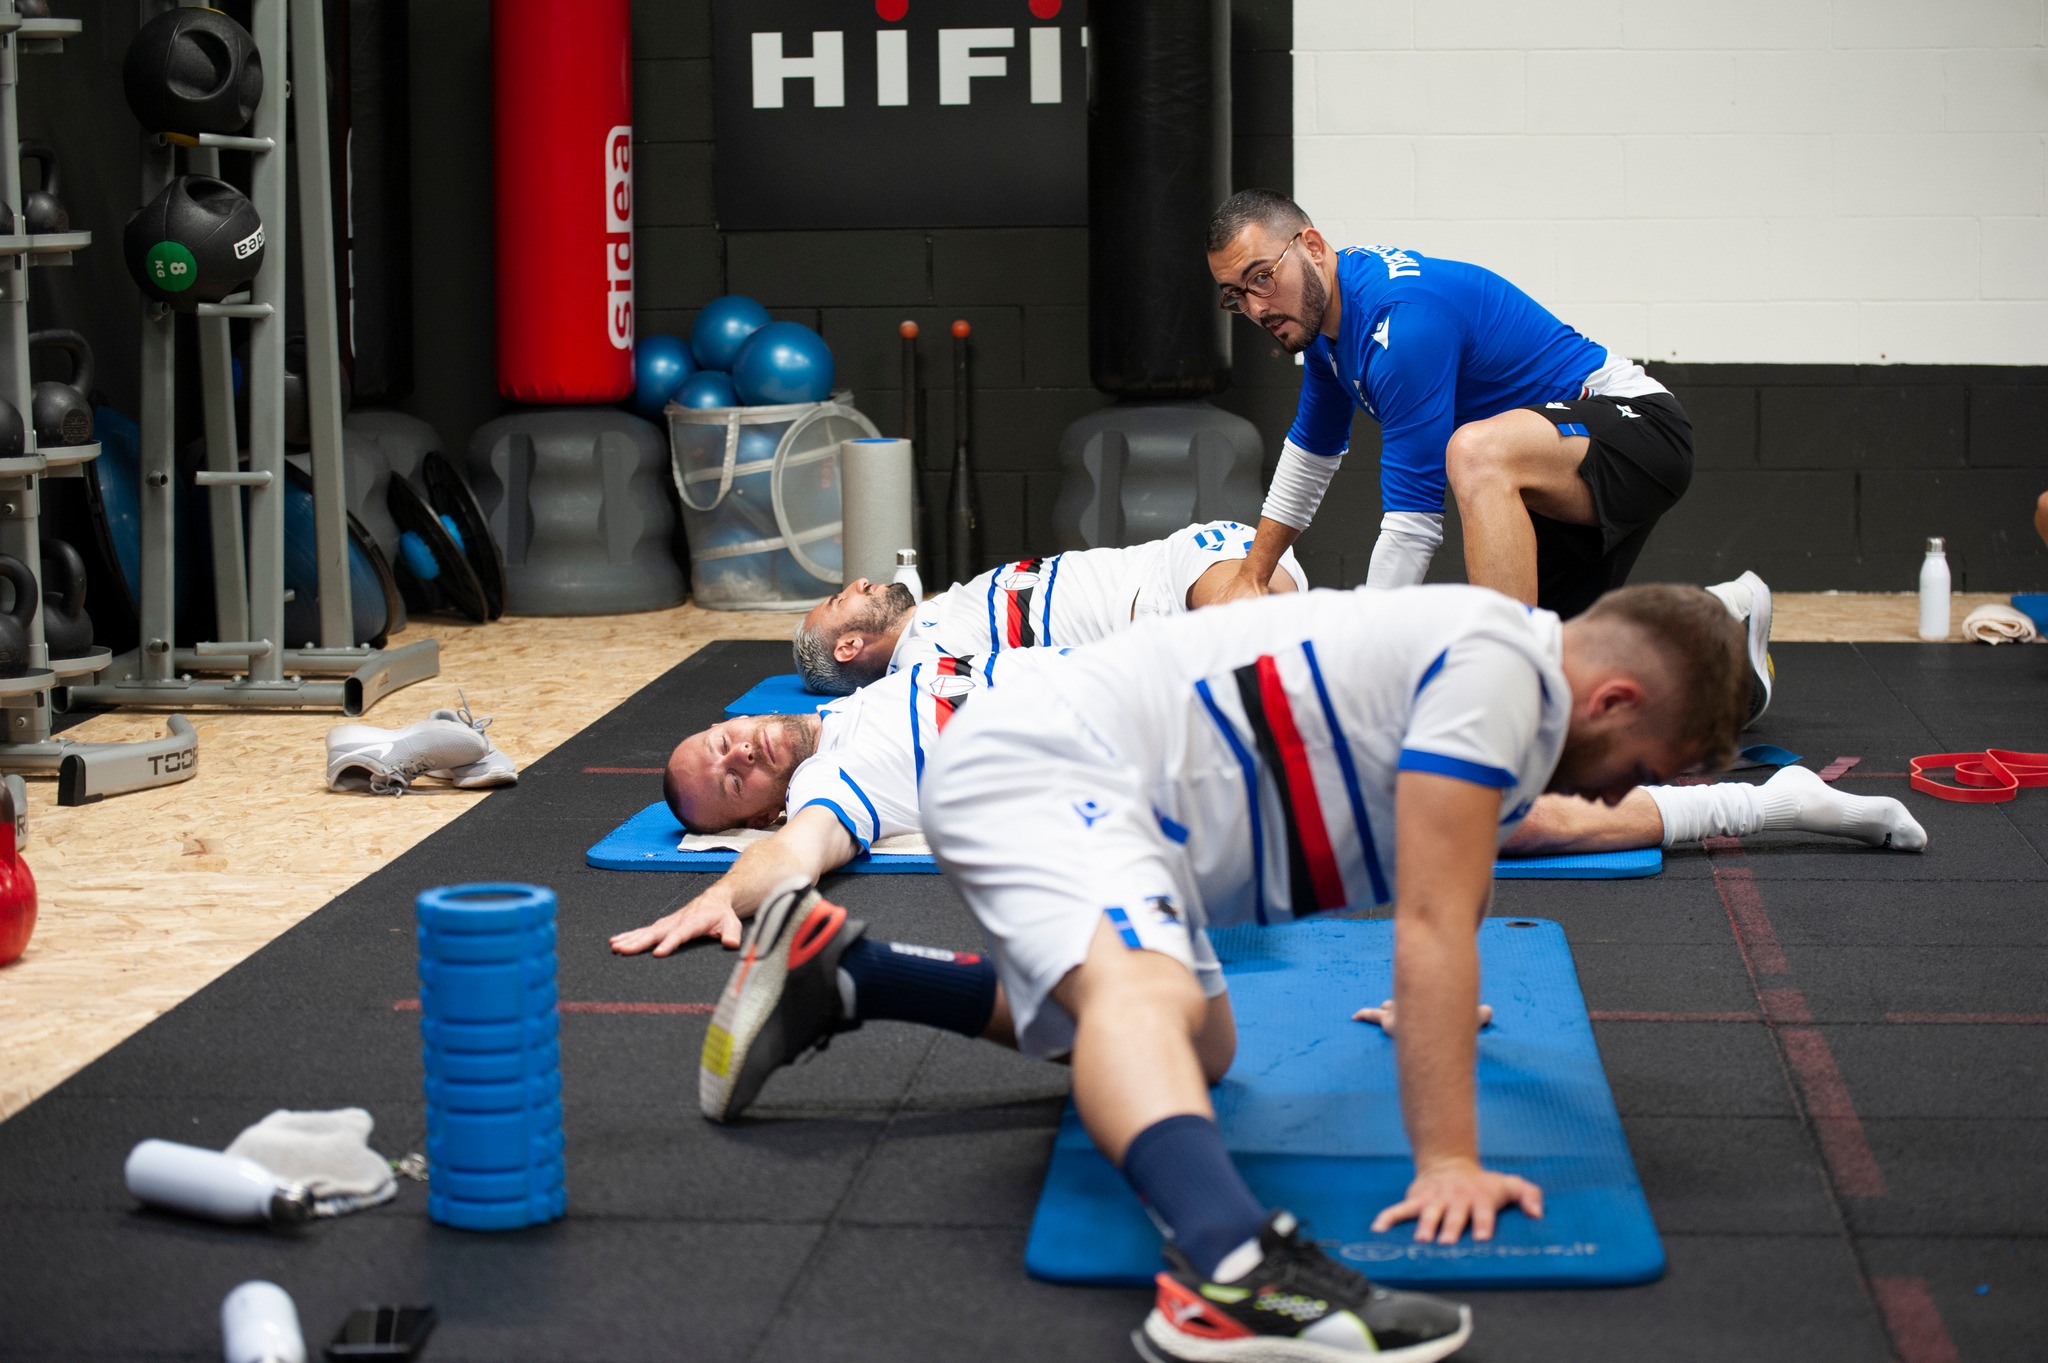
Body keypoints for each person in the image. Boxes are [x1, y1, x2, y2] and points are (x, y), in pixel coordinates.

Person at [695, 583, 1750, 1363]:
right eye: (1642, 772)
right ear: (1612, 700)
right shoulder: (1499, 675)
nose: (1621, 799)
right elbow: (1427, 923)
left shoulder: (1502, 681)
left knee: (1199, 1047)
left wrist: (1436, 1000)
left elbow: (1453, 877)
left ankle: (848, 974)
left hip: (1115, 802)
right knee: (1137, 996)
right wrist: (1446, 1161)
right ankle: (1230, 1269)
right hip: (1056, 763)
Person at [610, 616, 1924, 961]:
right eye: (721, 790)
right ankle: (1765, 797)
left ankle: (1728, 701)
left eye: (719, 740)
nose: (731, 758)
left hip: (1217, 689)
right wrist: (738, 883)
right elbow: (812, 849)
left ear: (749, 712)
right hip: (1204, 774)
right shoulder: (847, 767)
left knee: (1522, 739)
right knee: (1506, 824)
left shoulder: (868, 679)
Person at [1200, 189, 1778, 722]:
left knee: (1475, 457)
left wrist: (1358, 665)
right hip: (1547, 477)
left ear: (1313, 246)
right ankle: (1722, 620)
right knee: (1560, 668)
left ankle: (1509, 710)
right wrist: (1252, 575)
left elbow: (1412, 525)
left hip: (1636, 428)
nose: (1254, 308)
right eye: (1235, 296)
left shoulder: (1399, 326)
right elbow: (1310, 455)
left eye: (1261, 279)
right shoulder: (1328, 326)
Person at [793, 519, 1308, 695]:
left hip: (1171, 560)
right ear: (849, 646)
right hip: (1162, 608)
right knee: (1263, 642)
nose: (859, 582)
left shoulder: (941, 610)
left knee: (1264, 632)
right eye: (842, 600)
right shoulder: (924, 664)